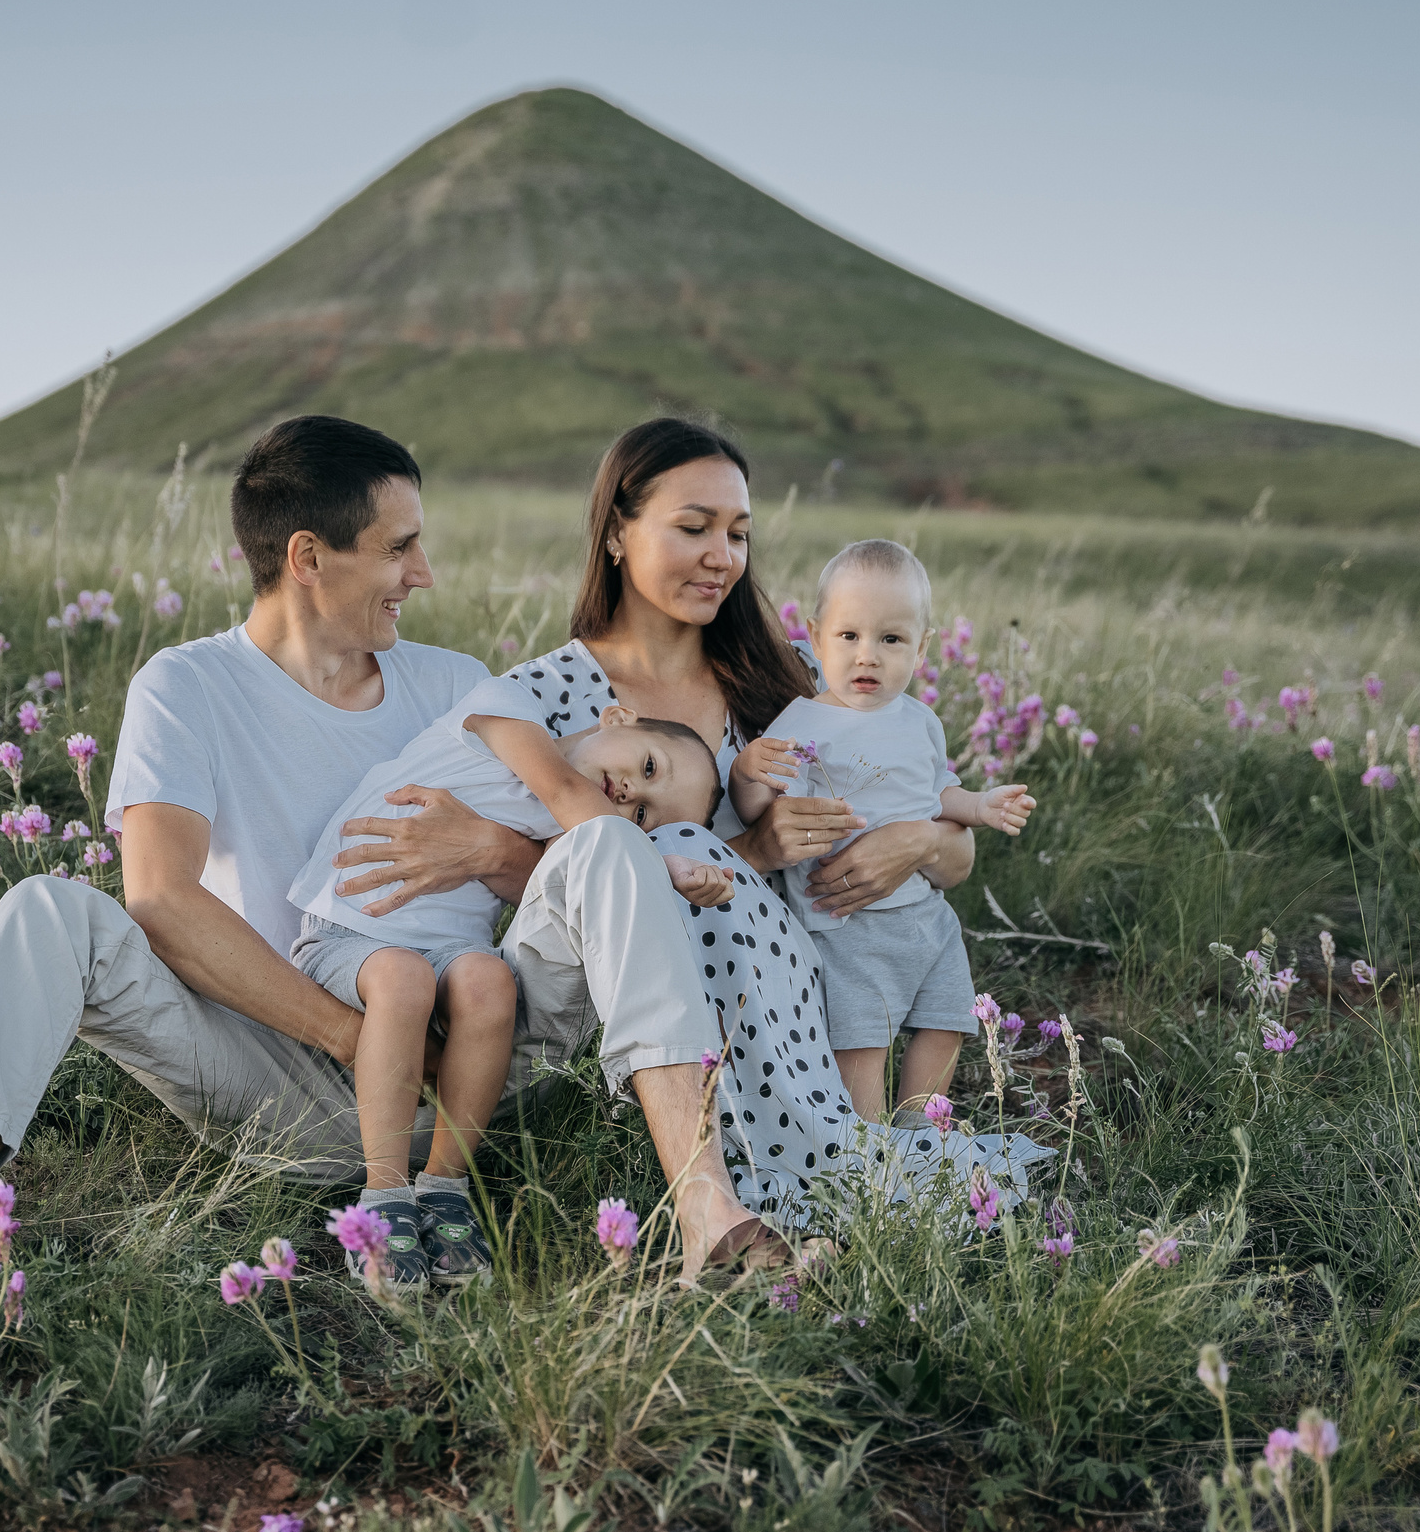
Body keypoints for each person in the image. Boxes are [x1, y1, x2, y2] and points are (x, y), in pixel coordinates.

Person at [0, 415, 777, 1341]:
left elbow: (601, 851)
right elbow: (162, 900)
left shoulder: (455, 685)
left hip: (471, 1060)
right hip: (272, 1065)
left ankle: (703, 1218)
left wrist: (493, 856)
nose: (425, 574)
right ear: (309, 558)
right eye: (399, 548)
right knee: (48, 906)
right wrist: (351, 1034)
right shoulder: (188, 686)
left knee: (601, 849)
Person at [499, 419, 1047, 1232]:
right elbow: (562, 886)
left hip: (814, 970)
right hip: (648, 1016)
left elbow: (955, 852)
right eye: (694, 528)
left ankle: (840, 1153)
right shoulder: (550, 696)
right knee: (674, 849)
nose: (723, 555)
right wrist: (756, 846)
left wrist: (920, 841)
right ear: (616, 530)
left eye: (739, 533)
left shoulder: (797, 665)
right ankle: (751, 1179)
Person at [289, 685, 732, 1297]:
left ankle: (444, 1187)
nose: (632, 794)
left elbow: (577, 884)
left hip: (446, 954)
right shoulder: (508, 711)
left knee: (490, 981)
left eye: (644, 816)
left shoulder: (567, 830)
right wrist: (659, 860)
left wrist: (639, 863)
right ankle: (383, 1194)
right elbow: (570, 798)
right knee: (403, 978)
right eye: (649, 766)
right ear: (618, 717)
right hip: (348, 931)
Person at [732, 538, 1035, 1124]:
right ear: (817, 638)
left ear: (920, 649)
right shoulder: (801, 723)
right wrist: (748, 772)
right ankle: (868, 1151)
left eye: (890, 639)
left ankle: (921, 1132)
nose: (867, 656)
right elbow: (754, 811)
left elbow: (936, 793)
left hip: (926, 914)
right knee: (862, 1043)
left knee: (947, 1022)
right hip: (846, 923)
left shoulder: (921, 721)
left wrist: (980, 806)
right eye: (850, 637)